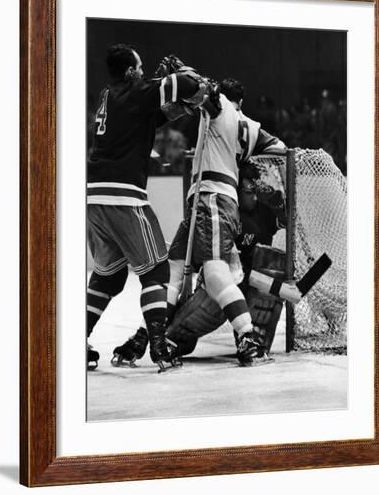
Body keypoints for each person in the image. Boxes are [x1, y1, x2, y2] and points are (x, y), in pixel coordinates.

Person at [113, 77, 286, 367]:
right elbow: (281, 149)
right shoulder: (253, 127)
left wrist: (179, 74)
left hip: (213, 198)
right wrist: (243, 160)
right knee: (173, 272)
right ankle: (148, 336)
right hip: (203, 202)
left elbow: (204, 94)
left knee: (213, 272)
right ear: (241, 102)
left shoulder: (219, 109)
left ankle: (247, 337)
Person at [87, 44, 207, 372]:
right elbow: (189, 84)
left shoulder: (108, 96)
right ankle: (158, 347)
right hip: (125, 197)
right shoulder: (138, 90)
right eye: (139, 68)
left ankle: (75, 339)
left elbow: (153, 114)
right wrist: (188, 77)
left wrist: (170, 96)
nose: (143, 72)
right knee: (156, 271)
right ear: (129, 72)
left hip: (95, 198)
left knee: (107, 279)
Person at [112, 162, 287, 364]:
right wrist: (146, 331)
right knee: (176, 336)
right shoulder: (204, 218)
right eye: (249, 192)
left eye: (255, 191)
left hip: (254, 288)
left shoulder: (263, 210)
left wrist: (278, 200)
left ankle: (249, 341)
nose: (254, 197)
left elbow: (289, 219)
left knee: (272, 269)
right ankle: (146, 337)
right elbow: (173, 279)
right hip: (220, 294)